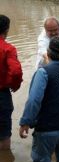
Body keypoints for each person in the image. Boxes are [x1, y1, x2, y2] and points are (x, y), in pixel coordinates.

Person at [19, 36, 59, 162]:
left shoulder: (43, 72)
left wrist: (25, 121)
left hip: (46, 130)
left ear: (48, 53)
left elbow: (34, 100)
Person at [0, 15, 23, 150]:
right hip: (1, 94)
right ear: (7, 30)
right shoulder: (8, 49)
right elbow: (15, 72)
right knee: (3, 135)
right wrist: (14, 85)